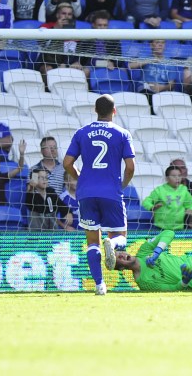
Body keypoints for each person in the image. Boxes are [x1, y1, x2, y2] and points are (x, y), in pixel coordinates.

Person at [62, 94, 137, 296]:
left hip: (86, 193)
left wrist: (79, 177)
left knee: (92, 241)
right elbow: (130, 167)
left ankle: (99, 285)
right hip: (111, 192)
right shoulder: (122, 134)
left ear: (95, 111)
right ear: (114, 111)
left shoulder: (82, 132)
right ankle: (111, 244)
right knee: (120, 236)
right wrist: (122, 185)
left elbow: (67, 163)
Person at [142, 166, 192, 231]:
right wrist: (152, 207)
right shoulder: (160, 190)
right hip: (160, 227)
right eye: (174, 176)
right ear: (167, 178)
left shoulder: (184, 190)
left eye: (179, 176)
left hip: (179, 228)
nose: (177, 178)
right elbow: (146, 201)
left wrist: (191, 209)